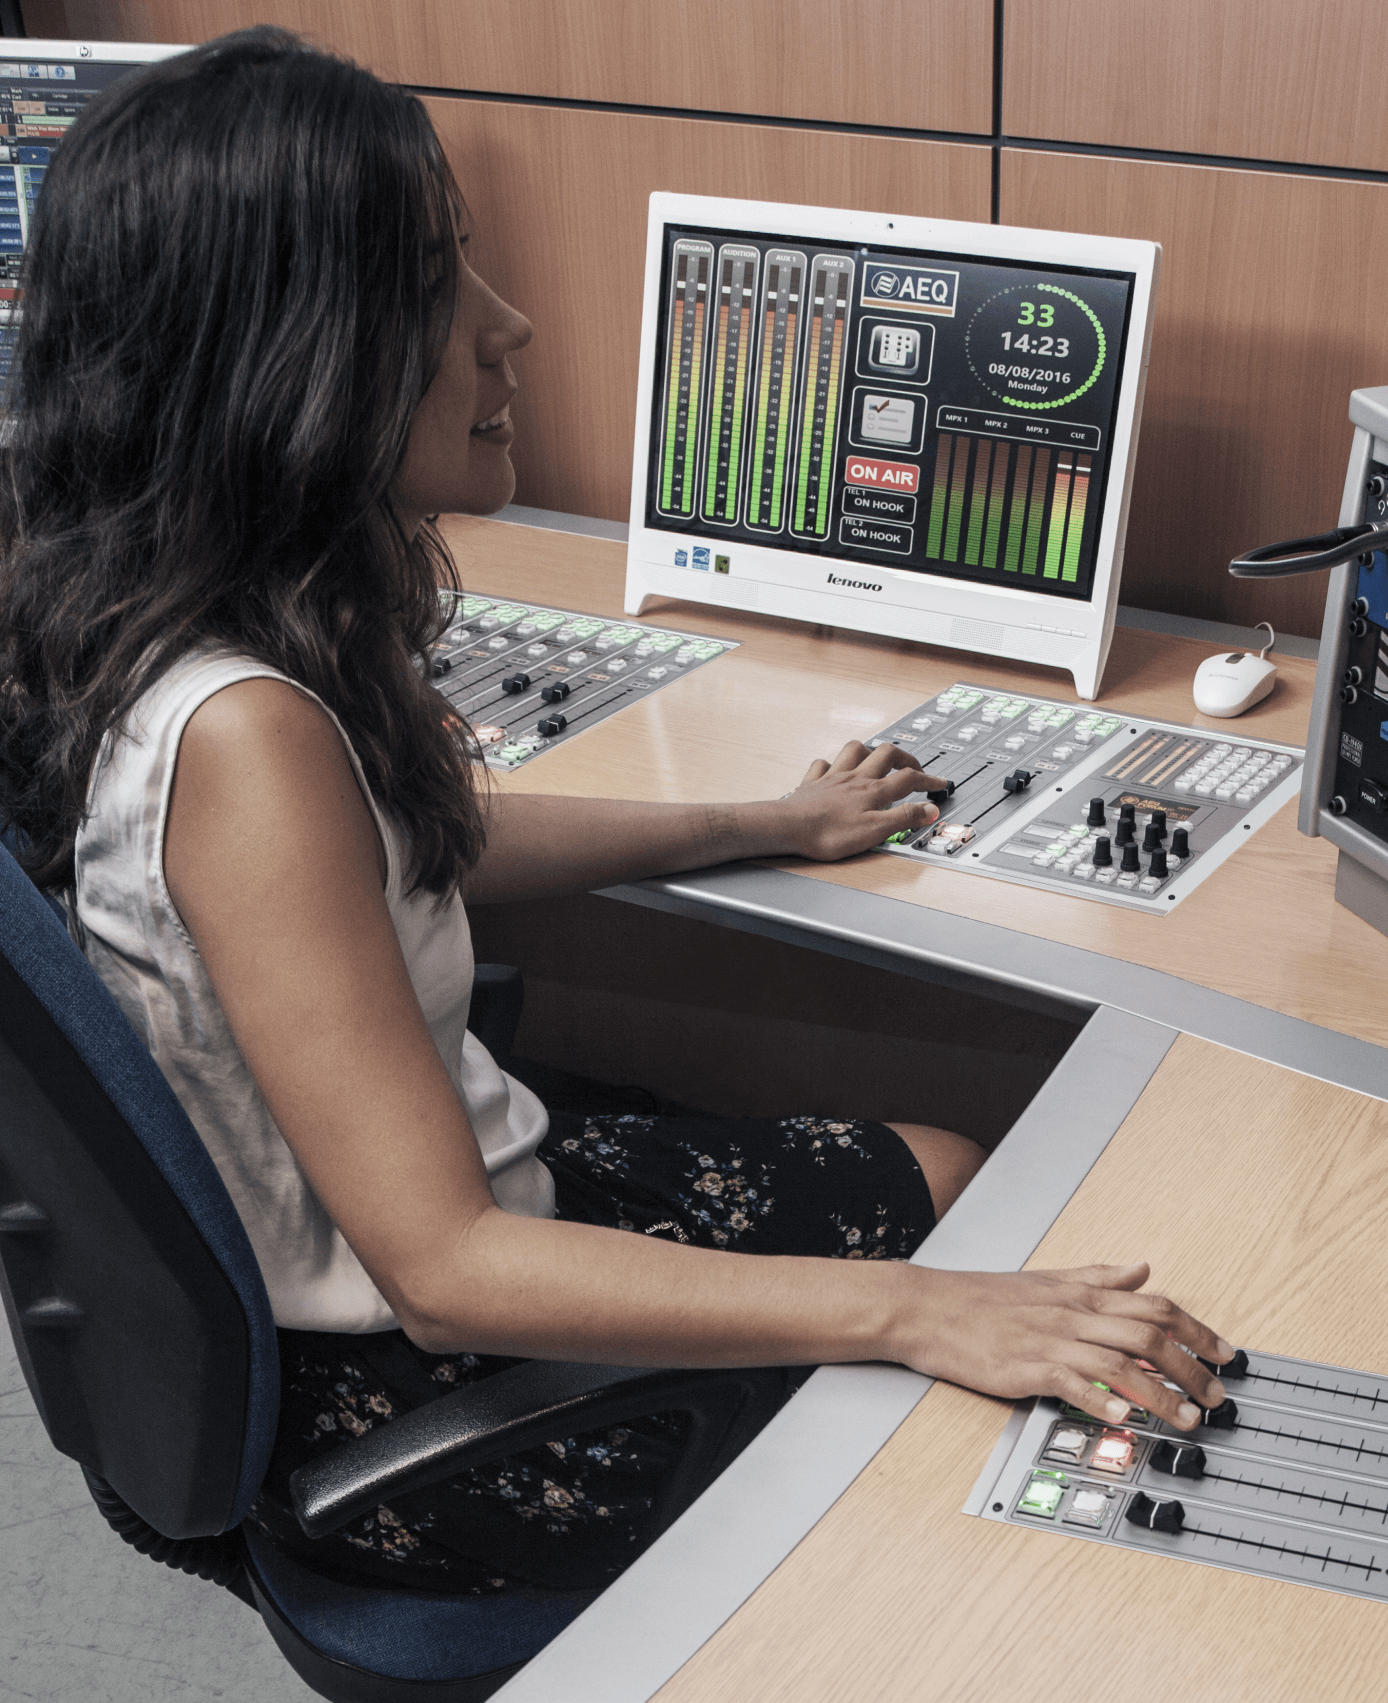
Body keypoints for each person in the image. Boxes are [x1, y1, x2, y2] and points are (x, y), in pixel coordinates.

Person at [0, 28, 1228, 1595]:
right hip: (404, 1382)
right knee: (957, 1405)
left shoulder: (207, 629)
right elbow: (445, 1273)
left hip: (437, 1217)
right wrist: (918, 1315)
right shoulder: (243, 738)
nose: (507, 329)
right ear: (294, 348)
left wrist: (755, 819)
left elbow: (386, 867)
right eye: (444, 277)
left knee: (948, 1166)